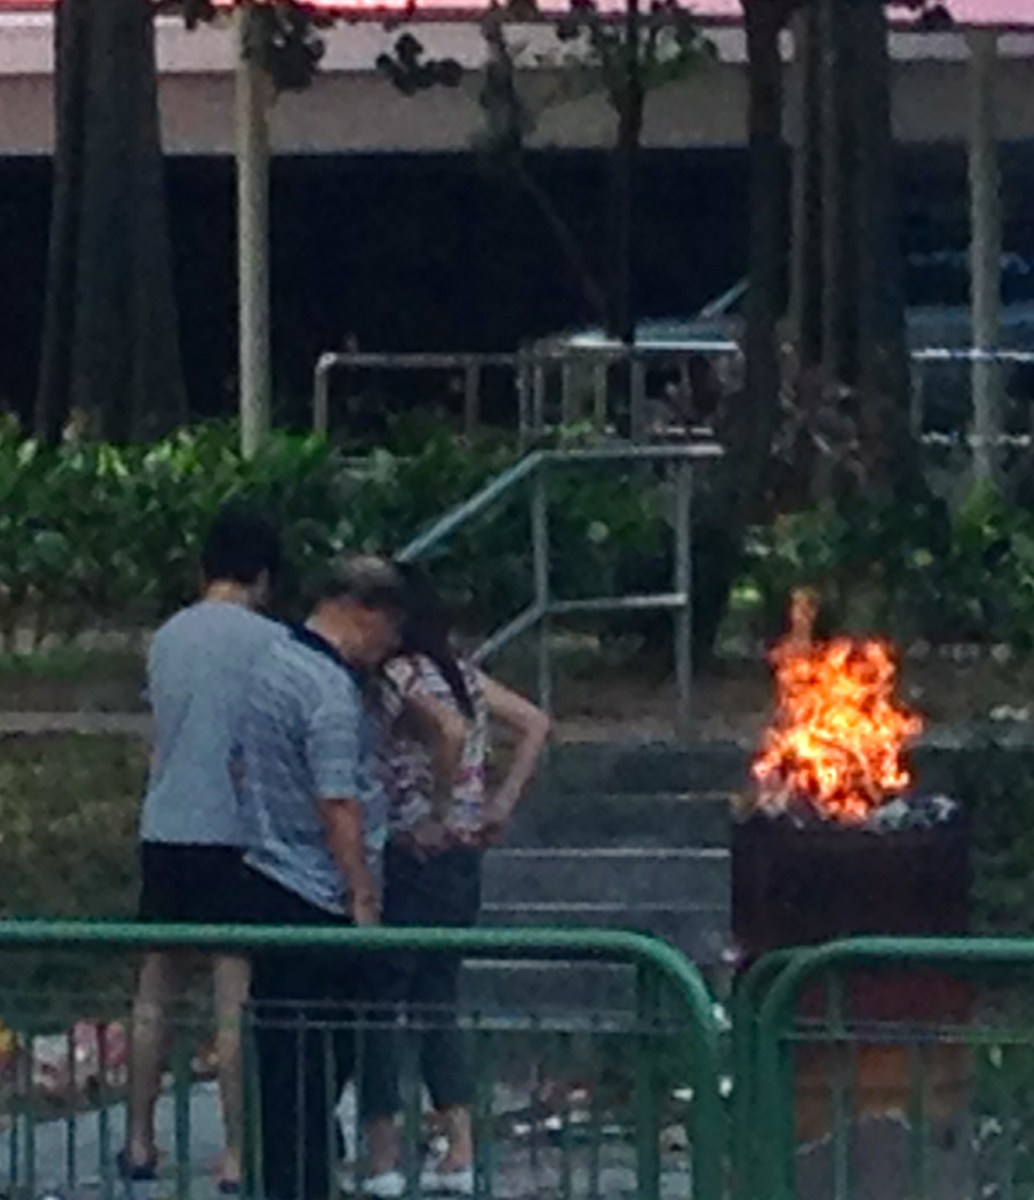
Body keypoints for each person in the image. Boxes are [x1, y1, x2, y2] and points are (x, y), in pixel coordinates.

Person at [359, 566, 551, 1199]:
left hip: (414, 852)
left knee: (381, 1001)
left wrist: (436, 812)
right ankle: (460, 1149)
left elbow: (447, 731)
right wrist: (499, 803)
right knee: (437, 998)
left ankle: (383, 1155)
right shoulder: (462, 674)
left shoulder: (398, 675)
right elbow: (535, 723)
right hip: (463, 858)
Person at [122, 503, 284, 1192]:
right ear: (265, 576)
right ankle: (237, 1153)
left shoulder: (167, 637)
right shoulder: (272, 643)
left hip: (165, 825)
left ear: (203, 567)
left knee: (154, 989)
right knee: (231, 995)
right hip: (234, 831)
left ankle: (137, 1141)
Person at [237, 555, 410, 1200]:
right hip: (316, 895)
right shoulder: (329, 692)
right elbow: (338, 802)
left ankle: (287, 1180)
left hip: (266, 874)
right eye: (389, 632)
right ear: (364, 612)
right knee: (318, 1064)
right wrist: (362, 895)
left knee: (284, 1072)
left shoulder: (269, 666)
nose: (386, 650)